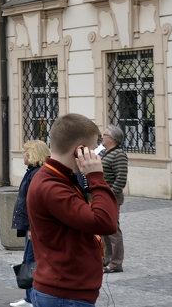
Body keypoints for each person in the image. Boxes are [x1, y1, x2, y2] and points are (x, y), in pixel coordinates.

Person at [26, 113, 119, 307]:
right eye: (94, 149)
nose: (96, 155)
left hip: (66, 292)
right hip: (65, 295)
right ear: (80, 151)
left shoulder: (60, 178)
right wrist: (96, 177)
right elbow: (105, 222)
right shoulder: (52, 185)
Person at [11, 139, 49, 307]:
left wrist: (31, 227)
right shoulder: (33, 171)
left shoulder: (37, 173)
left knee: (32, 262)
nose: (23, 156)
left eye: (24, 153)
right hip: (30, 225)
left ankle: (34, 299)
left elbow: (35, 204)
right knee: (29, 260)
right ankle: (29, 298)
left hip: (33, 227)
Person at [99, 125, 129, 272]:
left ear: (113, 139)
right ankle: (107, 258)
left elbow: (121, 178)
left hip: (111, 197)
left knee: (113, 229)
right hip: (102, 195)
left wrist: (110, 194)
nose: (102, 137)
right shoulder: (105, 152)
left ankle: (116, 263)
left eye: (104, 135)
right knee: (103, 228)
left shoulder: (119, 155)